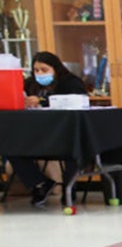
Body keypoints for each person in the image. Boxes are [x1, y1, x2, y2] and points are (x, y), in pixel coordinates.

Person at [10, 51, 88, 207]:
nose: (39, 74)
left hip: (63, 135)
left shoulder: (70, 82)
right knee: (9, 145)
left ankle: (69, 190)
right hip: (36, 135)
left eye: (44, 70)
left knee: (72, 147)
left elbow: (77, 100)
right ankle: (40, 183)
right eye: (36, 70)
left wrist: (41, 100)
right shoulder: (30, 83)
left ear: (55, 68)